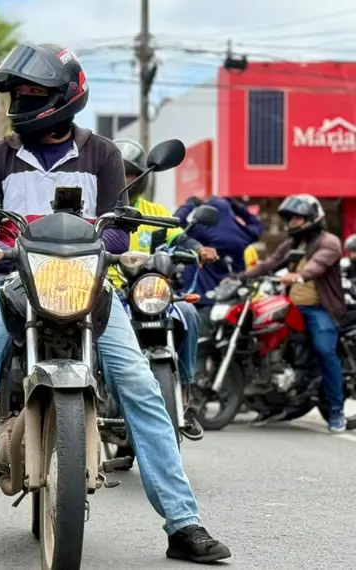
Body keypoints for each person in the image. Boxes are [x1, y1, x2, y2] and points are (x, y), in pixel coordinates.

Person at [0, 43, 230, 566]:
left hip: (90, 289)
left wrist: (100, 243)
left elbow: (119, 230)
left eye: (32, 93)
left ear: (64, 97)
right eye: (18, 93)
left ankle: (184, 524)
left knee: (141, 391)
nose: (21, 101)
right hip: (8, 286)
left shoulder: (103, 155)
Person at [112, 138, 218, 440]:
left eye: (132, 174)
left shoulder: (152, 211)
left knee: (187, 312)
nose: (126, 180)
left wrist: (200, 249)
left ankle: (184, 393)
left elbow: (179, 239)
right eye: (119, 173)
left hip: (148, 294)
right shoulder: (96, 211)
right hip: (109, 292)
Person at [237, 195, 346, 432]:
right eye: (290, 218)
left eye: (297, 218)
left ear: (311, 218)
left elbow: (317, 265)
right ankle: (273, 402)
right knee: (267, 340)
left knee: (325, 351)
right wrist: (238, 278)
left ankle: (337, 410)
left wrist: (299, 275)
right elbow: (268, 265)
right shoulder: (292, 245)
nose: (292, 222)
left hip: (321, 308)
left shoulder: (329, 242)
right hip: (292, 307)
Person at [175, 195, 264, 335]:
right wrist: (235, 206)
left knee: (201, 345)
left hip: (203, 298)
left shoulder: (202, 231)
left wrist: (190, 203)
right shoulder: (243, 233)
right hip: (230, 298)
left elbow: (176, 223)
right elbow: (257, 224)